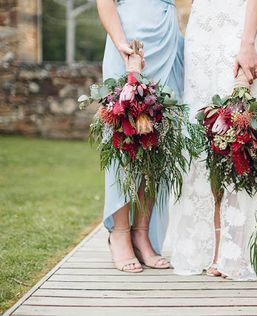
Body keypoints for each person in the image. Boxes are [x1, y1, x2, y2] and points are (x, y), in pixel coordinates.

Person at [167, 0, 257, 280]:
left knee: (241, 133)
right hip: (203, 32)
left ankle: (236, 250)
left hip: (240, 30)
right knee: (204, 138)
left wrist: (248, 42)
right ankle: (210, 246)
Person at [97, 0, 183, 273]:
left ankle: (142, 232)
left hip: (168, 40)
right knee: (122, 138)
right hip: (130, 38)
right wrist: (121, 42)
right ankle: (120, 232)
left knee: (157, 141)